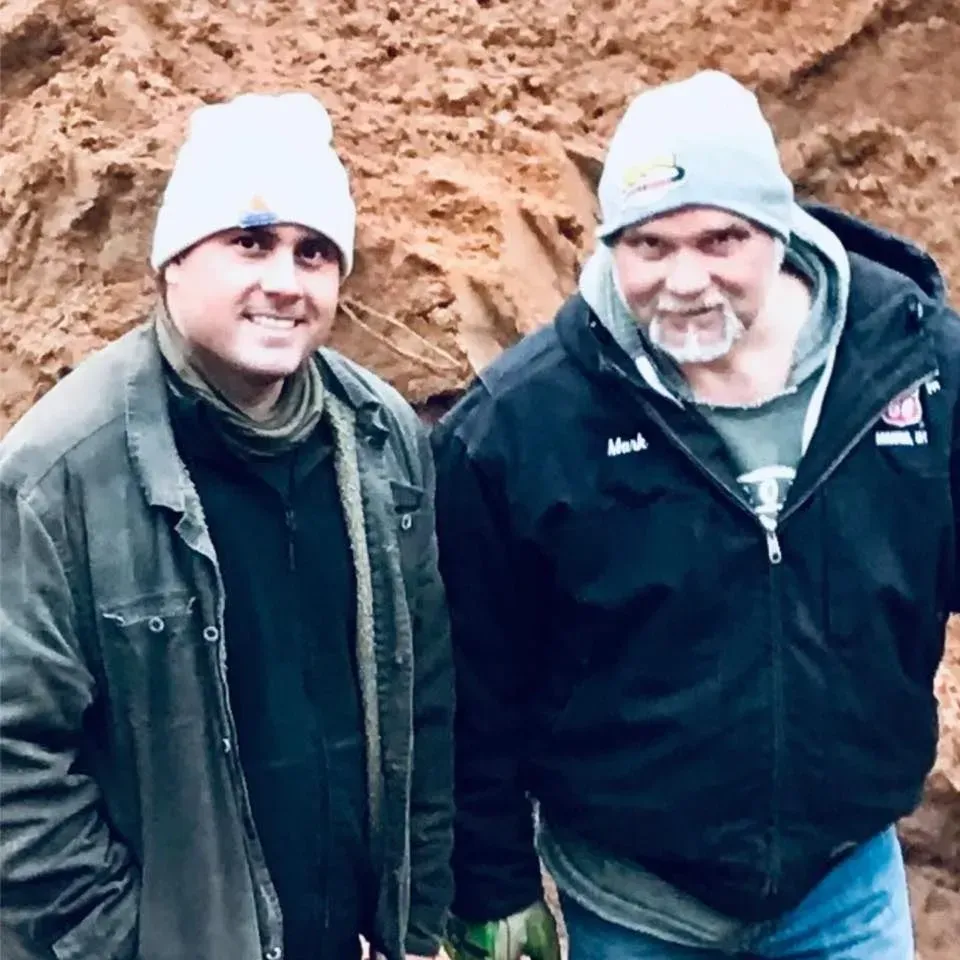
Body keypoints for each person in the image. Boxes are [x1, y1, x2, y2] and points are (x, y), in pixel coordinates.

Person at [434, 70, 956, 960]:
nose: (685, 279)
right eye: (648, 246)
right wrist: (490, 882)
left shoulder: (916, 370)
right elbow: (472, 685)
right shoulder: (520, 429)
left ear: (781, 229)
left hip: (844, 890)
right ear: (609, 247)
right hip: (636, 903)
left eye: (722, 238)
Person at [0, 92, 453, 960]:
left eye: (314, 253)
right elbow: (16, 762)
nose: (284, 281)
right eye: (250, 242)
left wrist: (416, 922)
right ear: (173, 260)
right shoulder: (57, 475)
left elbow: (422, 699)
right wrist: (121, 943)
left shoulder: (382, 439)